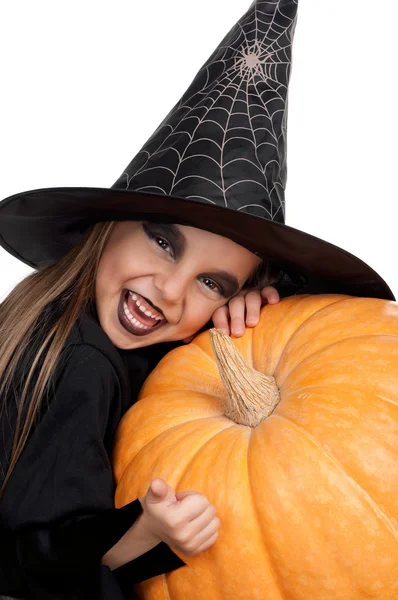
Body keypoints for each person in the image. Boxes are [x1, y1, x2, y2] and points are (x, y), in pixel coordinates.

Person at [0, 1, 394, 599]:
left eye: (214, 283)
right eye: (163, 242)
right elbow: (29, 567)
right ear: (109, 226)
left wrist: (262, 308)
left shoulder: (70, 319)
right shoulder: (80, 365)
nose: (170, 290)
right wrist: (142, 534)